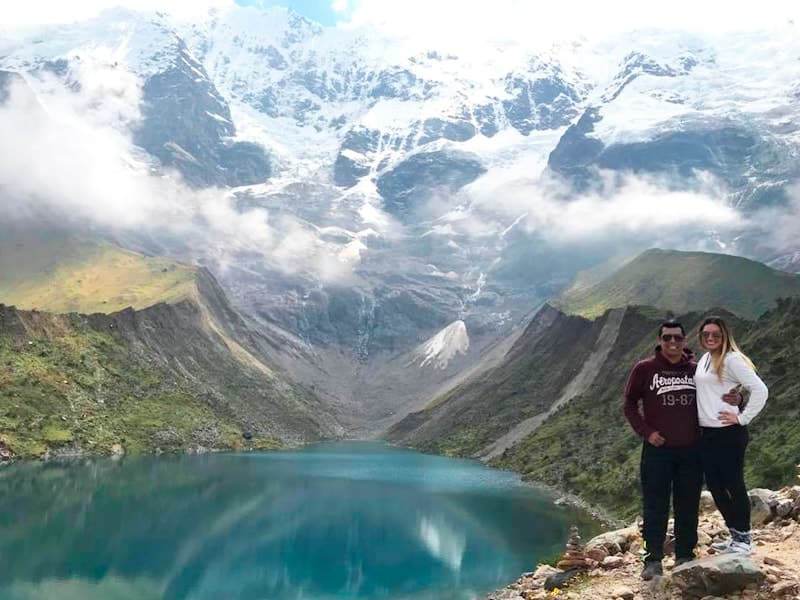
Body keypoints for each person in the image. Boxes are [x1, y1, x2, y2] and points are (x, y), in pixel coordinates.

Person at [623, 320, 701, 580]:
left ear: (684, 340)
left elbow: (718, 395)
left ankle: (685, 555)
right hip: (657, 452)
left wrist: (738, 399)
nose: (672, 343)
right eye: (667, 338)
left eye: (677, 338)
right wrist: (647, 432)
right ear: (659, 340)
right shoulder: (644, 369)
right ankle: (651, 559)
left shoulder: (697, 370)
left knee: (687, 505)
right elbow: (630, 405)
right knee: (654, 508)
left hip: (692, 451)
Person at [695, 316, 768, 555]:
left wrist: (743, 417)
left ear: (725, 336)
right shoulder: (706, 358)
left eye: (716, 334)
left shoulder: (732, 360)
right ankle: (735, 535)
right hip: (707, 433)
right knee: (716, 486)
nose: (710, 338)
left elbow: (760, 389)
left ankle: (744, 540)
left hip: (729, 433)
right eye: (706, 334)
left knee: (733, 484)